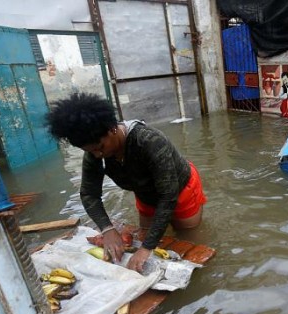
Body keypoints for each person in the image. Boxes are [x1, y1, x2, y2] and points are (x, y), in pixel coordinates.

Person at [46, 92, 207, 272]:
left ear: (112, 128)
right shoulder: (94, 154)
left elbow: (168, 196)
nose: (97, 155)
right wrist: (107, 229)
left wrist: (147, 248)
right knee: (147, 237)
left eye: (100, 148)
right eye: (91, 151)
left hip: (180, 189)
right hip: (145, 193)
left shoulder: (149, 141)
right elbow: (89, 194)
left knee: (189, 242)